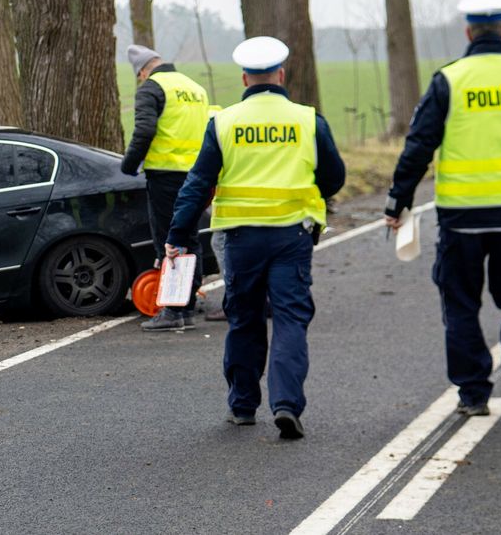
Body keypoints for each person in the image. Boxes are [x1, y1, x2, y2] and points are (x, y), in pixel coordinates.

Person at [384, 0, 501, 418]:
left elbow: (419, 145)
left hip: (462, 215)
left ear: (468, 32)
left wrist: (399, 200)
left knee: (461, 302)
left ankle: (473, 393)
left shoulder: (450, 79)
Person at [165, 36, 345, 439]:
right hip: (291, 237)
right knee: (289, 319)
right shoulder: (307, 119)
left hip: (241, 240)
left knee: (244, 319)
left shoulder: (224, 122)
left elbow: (198, 184)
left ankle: (243, 406)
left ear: (244, 77)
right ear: (281, 74)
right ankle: (286, 405)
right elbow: (334, 176)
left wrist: (177, 234)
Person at [120, 45, 211, 332]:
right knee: (190, 238)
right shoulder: (195, 88)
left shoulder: (152, 87)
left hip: (166, 175)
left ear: (143, 70)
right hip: (197, 174)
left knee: (169, 240)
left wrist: (129, 164)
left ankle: (172, 310)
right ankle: (186, 307)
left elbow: (144, 130)